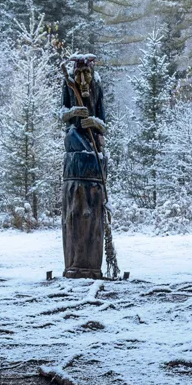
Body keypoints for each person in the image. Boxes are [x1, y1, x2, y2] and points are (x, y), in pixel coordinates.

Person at [60, 54, 107, 278]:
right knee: (72, 135)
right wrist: (73, 114)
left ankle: (91, 266)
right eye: (78, 74)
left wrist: (95, 123)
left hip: (93, 149)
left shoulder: (97, 89)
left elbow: (104, 122)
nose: (82, 78)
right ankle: (74, 265)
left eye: (85, 74)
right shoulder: (68, 86)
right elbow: (61, 114)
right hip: (74, 150)